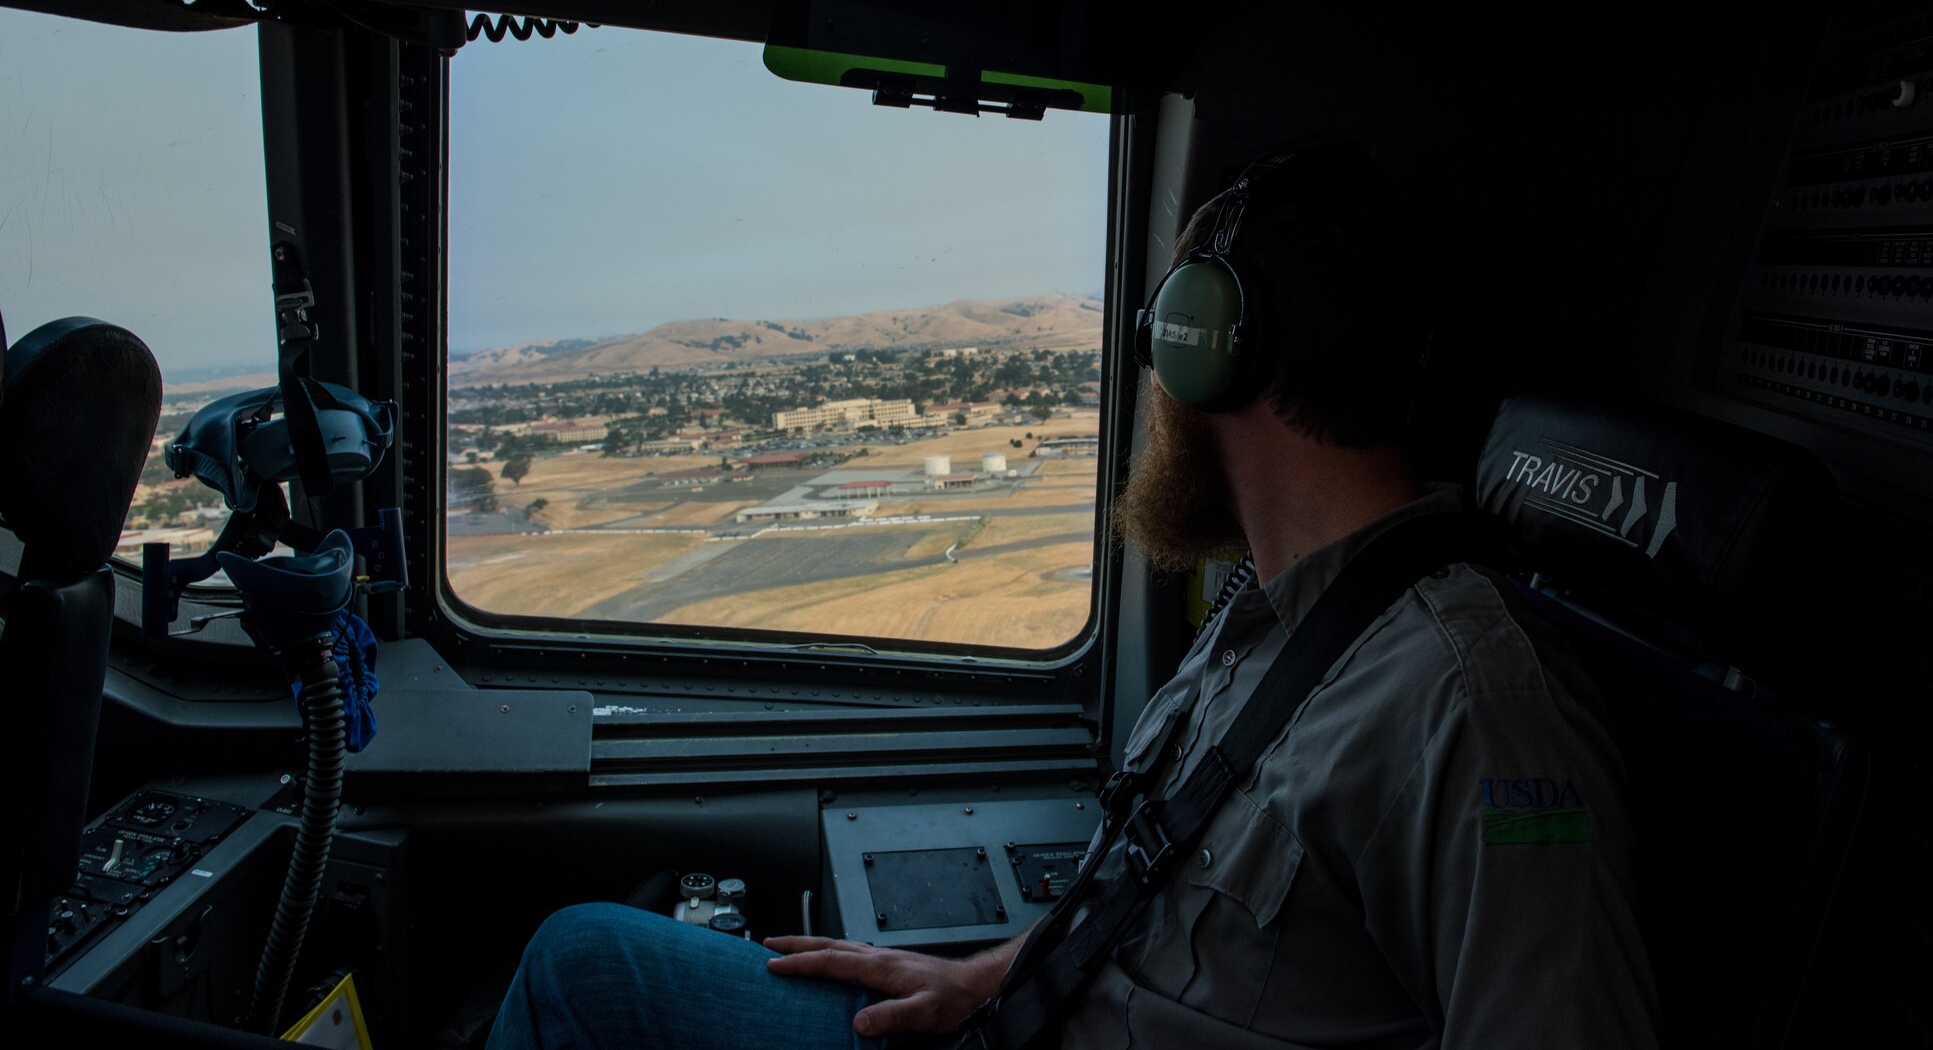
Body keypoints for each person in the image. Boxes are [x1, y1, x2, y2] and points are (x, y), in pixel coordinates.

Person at [487, 143, 1660, 1050]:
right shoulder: (1267, 615)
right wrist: (986, 973)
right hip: (1024, 1018)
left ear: (1208, 354)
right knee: (589, 961)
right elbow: (1162, 880)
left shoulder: (1471, 702)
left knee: (582, 973)